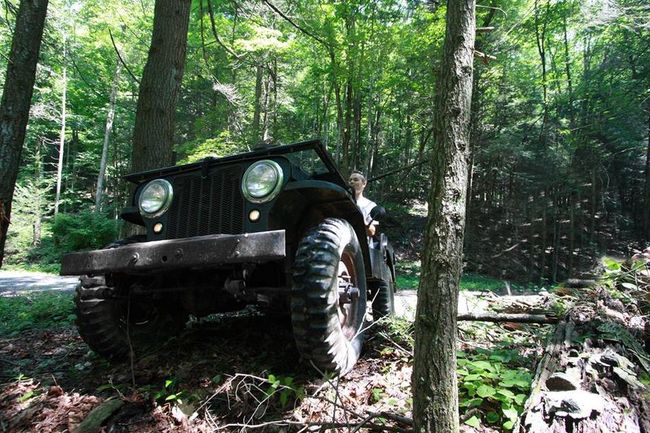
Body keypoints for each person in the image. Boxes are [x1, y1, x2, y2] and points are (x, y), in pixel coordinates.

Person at [348, 171, 378, 237]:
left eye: (356, 180)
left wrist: (361, 221)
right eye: (350, 180)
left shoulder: (371, 205)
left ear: (364, 183)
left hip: (361, 245)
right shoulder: (342, 202)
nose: (352, 182)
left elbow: (372, 232)